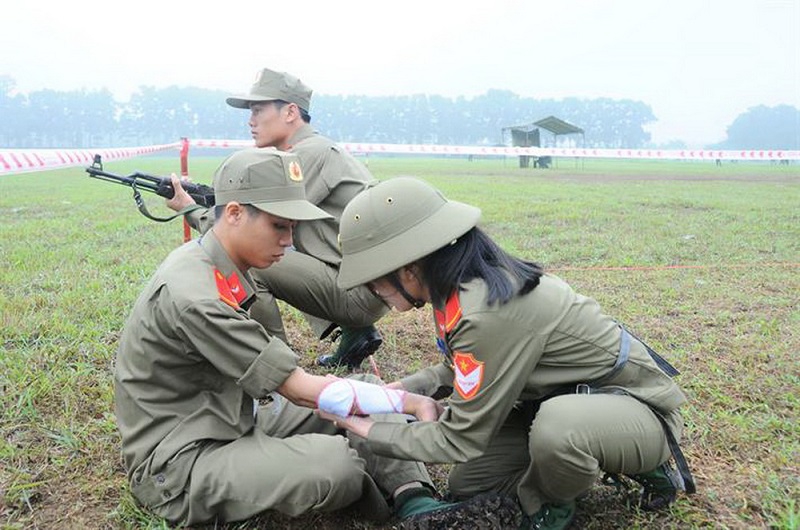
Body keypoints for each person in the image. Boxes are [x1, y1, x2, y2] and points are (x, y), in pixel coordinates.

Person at [114, 150, 518, 528]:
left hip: (239, 413)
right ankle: (380, 507)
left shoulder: (220, 264)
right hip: (182, 457)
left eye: (292, 228)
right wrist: (410, 401)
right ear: (234, 213)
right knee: (334, 466)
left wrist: (386, 401)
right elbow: (303, 391)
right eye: (279, 226)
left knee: (369, 390)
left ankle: (415, 502)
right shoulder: (195, 294)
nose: (289, 241)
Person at [322, 177, 696, 530]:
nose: (372, 291)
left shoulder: (484, 310)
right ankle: (559, 466)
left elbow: (458, 439)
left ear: (408, 269)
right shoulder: (457, 290)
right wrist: (399, 392)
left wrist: (367, 428)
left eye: (373, 278)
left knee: (560, 431)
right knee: (472, 483)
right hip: (553, 402)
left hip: (637, 409)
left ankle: (554, 505)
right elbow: (465, 369)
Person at [171, 67, 387, 369]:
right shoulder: (314, 149)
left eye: (258, 110)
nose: (251, 120)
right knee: (281, 242)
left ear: (290, 112)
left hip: (359, 292)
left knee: (247, 257)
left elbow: (239, 229)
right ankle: (355, 333)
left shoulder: (304, 157)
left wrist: (189, 208)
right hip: (364, 284)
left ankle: (278, 366)